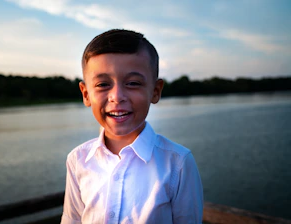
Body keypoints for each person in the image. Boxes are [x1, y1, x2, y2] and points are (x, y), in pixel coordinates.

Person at [61, 29, 203, 224]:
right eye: (103, 84)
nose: (117, 96)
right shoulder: (78, 160)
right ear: (86, 94)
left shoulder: (177, 163)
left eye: (133, 83)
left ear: (155, 91)